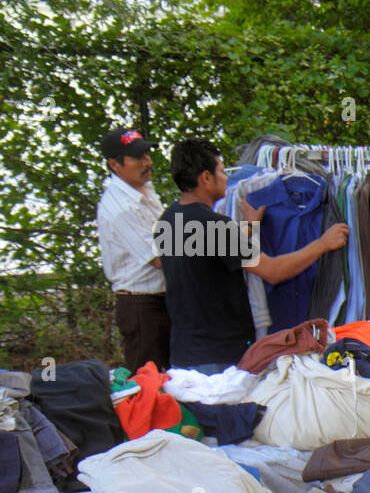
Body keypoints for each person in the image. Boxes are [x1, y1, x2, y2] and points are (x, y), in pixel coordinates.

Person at [155, 139, 349, 373]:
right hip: (220, 356)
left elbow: (209, 252)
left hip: (183, 354)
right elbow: (273, 271)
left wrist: (250, 227)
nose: (227, 178)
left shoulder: (168, 220)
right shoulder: (214, 225)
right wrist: (322, 244)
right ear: (205, 178)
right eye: (221, 171)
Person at [97, 128, 170, 372]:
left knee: (171, 381)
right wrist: (217, 244)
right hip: (142, 306)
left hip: (160, 300)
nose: (147, 162)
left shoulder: (145, 191)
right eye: (138, 157)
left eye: (147, 154)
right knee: (148, 384)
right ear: (115, 165)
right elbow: (160, 258)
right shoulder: (121, 206)